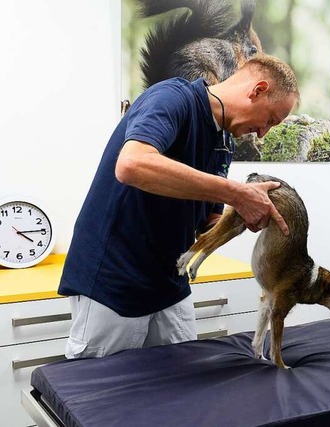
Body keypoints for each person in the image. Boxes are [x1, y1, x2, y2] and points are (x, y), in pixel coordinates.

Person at [59, 54, 300, 359]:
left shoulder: (224, 141)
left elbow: (209, 219)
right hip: (113, 282)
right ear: (258, 90)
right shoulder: (171, 98)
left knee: (184, 387)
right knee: (102, 395)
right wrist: (238, 194)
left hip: (170, 282)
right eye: (270, 120)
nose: (263, 133)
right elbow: (131, 164)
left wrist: (250, 223)